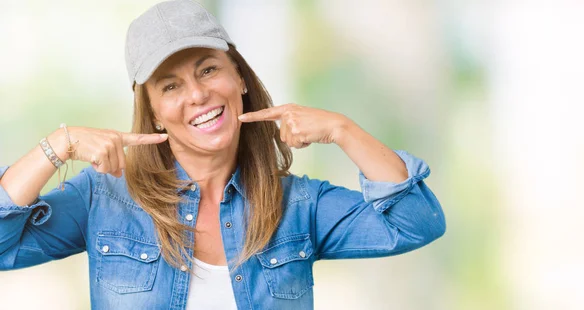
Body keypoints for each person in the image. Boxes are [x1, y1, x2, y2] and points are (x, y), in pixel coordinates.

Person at [0, 0, 446, 309]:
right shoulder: (104, 198)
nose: (197, 94)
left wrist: (342, 129)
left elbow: (415, 221)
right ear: (154, 112)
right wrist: (59, 145)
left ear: (241, 79)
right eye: (170, 86)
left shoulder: (298, 206)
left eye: (208, 69)